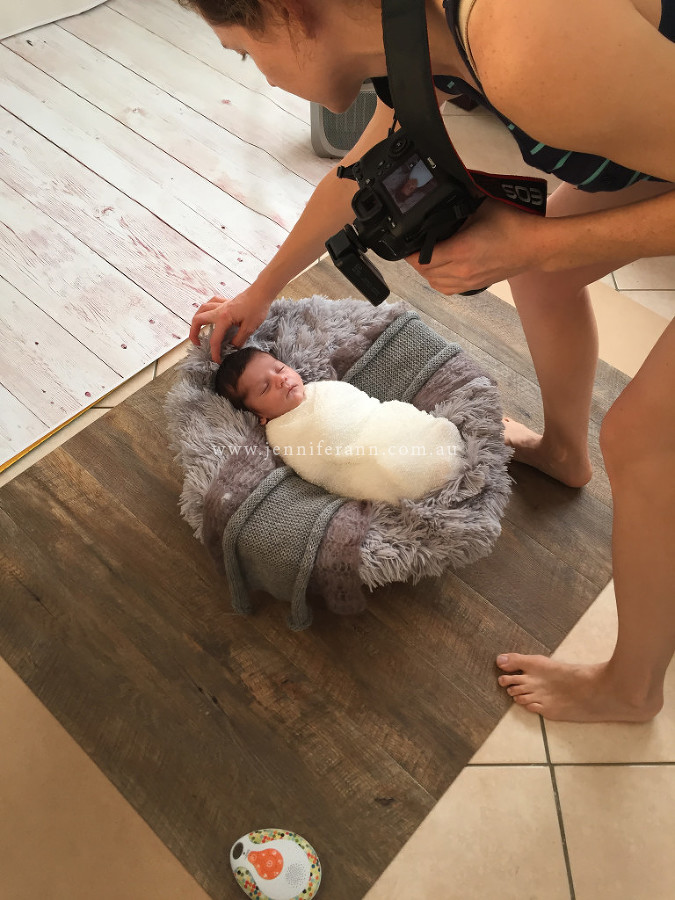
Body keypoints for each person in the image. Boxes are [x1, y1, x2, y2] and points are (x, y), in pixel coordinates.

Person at [185, 0, 675, 724]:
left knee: (643, 440)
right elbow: (354, 174)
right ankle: (563, 451)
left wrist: (533, 244)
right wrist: (261, 292)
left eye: (244, 51)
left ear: (290, 12)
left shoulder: (520, 40)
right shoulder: (410, 41)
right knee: (543, 280)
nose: (261, 75)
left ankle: (631, 688)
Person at [214, 347, 466, 502]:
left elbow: (366, 407)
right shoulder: (281, 433)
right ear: (260, 416)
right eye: (265, 387)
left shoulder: (321, 388)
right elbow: (320, 461)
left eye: (279, 369)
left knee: (416, 433)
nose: (280, 380)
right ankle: (424, 469)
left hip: (381, 425)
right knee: (400, 467)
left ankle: (432, 451)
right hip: (363, 462)